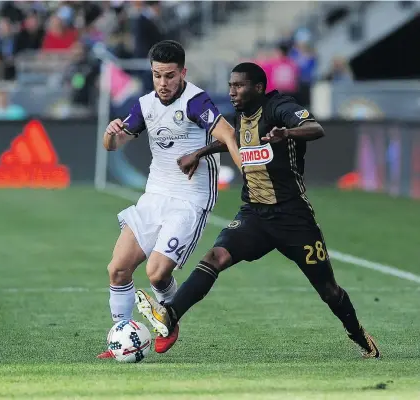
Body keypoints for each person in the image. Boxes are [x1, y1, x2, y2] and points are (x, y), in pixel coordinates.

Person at [135, 62, 380, 359]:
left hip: (293, 218)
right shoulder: (242, 115)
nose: (232, 91)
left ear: (259, 88)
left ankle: (359, 336)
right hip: (254, 215)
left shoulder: (280, 107)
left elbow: (315, 128)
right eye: (230, 85)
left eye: (239, 86)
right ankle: (170, 314)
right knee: (216, 257)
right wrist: (198, 153)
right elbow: (235, 141)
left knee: (328, 290)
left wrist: (287, 133)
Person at [97, 40, 241, 358]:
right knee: (117, 269)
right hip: (155, 195)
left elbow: (228, 134)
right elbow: (114, 144)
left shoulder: (195, 101)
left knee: (156, 273)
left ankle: (170, 318)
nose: (163, 83)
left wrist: (246, 170)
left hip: (191, 198)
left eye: (170, 76)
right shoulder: (145, 104)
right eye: (157, 75)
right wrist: (110, 133)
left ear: (183, 73)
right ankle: (121, 336)